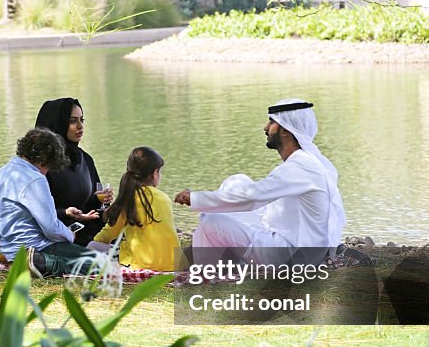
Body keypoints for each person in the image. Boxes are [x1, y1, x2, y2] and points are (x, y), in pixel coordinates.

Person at [174, 99, 346, 265]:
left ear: (285, 131)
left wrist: (195, 199)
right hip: (296, 243)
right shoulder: (310, 160)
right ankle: (225, 259)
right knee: (237, 182)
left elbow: (252, 198)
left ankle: (205, 272)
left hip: (292, 256)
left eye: (271, 122)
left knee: (212, 221)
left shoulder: (300, 166)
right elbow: (255, 196)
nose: (265, 127)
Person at [0, 127, 103, 277]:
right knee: (100, 264)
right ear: (44, 160)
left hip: (9, 250)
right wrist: (69, 235)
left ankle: (36, 262)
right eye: (49, 166)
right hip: (35, 248)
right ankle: (43, 264)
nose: (47, 171)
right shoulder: (35, 179)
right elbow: (50, 228)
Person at [34, 97, 112, 246]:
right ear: (58, 123)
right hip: (55, 235)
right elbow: (35, 211)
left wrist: (100, 200)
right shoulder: (42, 164)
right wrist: (66, 213)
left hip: (85, 230)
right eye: (72, 121)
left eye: (82, 120)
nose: (80, 126)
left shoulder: (86, 159)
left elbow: (92, 208)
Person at [91, 147, 180, 271]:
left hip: (142, 263)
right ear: (155, 174)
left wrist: (95, 242)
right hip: (173, 263)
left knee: (93, 246)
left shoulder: (129, 199)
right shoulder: (164, 197)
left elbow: (109, 233)